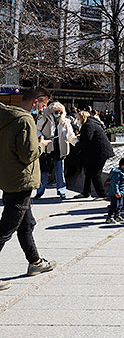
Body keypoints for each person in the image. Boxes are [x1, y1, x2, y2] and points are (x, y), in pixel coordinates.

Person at [0, 87, 57, 291]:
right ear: (36, 102)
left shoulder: (7, 117)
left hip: (9, 177)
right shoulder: (25, 120)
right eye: (43, 106)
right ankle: (35, 263)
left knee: (25, 224)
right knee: (7, 227)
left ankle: (35, 262)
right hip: (21, 180)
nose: (43, 110)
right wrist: (42, 144)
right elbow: (28, 154)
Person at [34, 102, 78, 200]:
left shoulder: (65, 121)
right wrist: (40, 136)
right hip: (47, 149)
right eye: (55, 112)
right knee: (44, 172)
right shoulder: (44, 120)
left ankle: (62, 191)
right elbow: (36, 130)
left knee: (60, 171)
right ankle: (40, 191)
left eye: (59, 112)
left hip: (60, 149)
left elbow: (70, 135)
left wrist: (77, 143)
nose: (58, 113)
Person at [76, 110, 113, 198]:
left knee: (95, 173)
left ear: (82, 118)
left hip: (100, 153)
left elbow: (87, 139)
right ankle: (86, 192)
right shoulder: (92, 123)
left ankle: (102, 194)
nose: (77, 120)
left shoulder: (88, 125)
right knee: (88, 172)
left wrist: (77, 143)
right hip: (98, 152)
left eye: (78, 118)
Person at [106, 158, 124, 223]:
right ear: (123, 166)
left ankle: (117, 216)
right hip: (115, 193)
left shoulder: (123, 173)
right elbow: (115, 184)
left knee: (120, 205)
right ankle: (110, 217)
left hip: (121, 193)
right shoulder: (117, 174)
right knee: (114, 206)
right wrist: (116, 192)